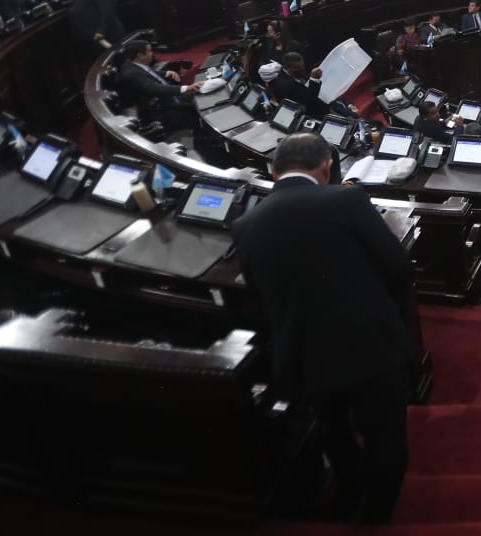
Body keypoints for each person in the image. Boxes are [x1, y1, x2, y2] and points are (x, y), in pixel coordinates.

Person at [232, 133, 413, 525]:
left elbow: (257, 290)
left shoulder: (245, 224)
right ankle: (379, 513)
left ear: (272, 169)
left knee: (333, 429)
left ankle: (348, 493)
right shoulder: (347, 199)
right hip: (371, 343)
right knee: (384, 433)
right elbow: (398, 267)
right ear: (328, 166)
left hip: (304, 351)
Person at [117, 39, 202, 130]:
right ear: (140, 55)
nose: (152, 53)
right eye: (150, 51)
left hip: (169, 99)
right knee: (198, 106)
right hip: (161, 110)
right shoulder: (130, 74)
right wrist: (187, 88)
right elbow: (152, 88)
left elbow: (148, 73)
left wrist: (165, 73)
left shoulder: (134, 65)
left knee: (201, 93)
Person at [271, 51, 358, 119]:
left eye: (302, 66)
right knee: (352, 117)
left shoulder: (290, 74)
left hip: (326, 101)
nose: (302, 69)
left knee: (349, 111)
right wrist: (314, 79)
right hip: (313, 113)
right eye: (298, 67)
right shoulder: (286, 84)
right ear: (288, 67)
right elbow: (310, 101)